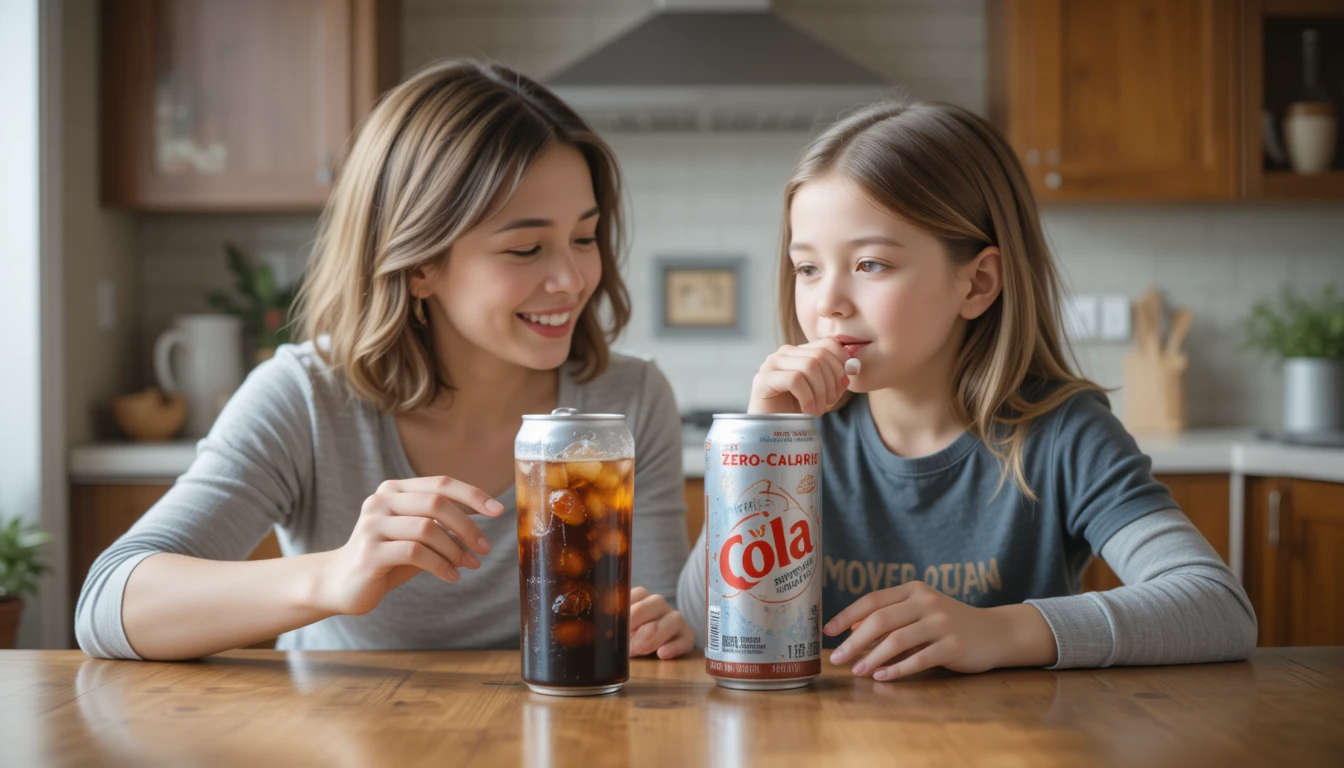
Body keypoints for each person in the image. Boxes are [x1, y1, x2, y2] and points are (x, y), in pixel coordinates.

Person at [77, 60, 694, 662]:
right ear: (420, 265)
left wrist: (660, 630)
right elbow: (107, 606)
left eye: (584, 238)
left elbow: (659, 623)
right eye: (526, 247)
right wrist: (334, 576)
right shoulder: (304, 398)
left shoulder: (629, 400)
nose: (573, 278)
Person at [677, 101, 1256, 681]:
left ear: (977, 283)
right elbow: (707, 627)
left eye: (871, 264)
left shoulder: (1063, 435)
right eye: (807, 269)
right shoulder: (800, 436)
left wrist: (1001, 631)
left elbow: (1217, 606)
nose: (828, 302)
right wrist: (763, 450)